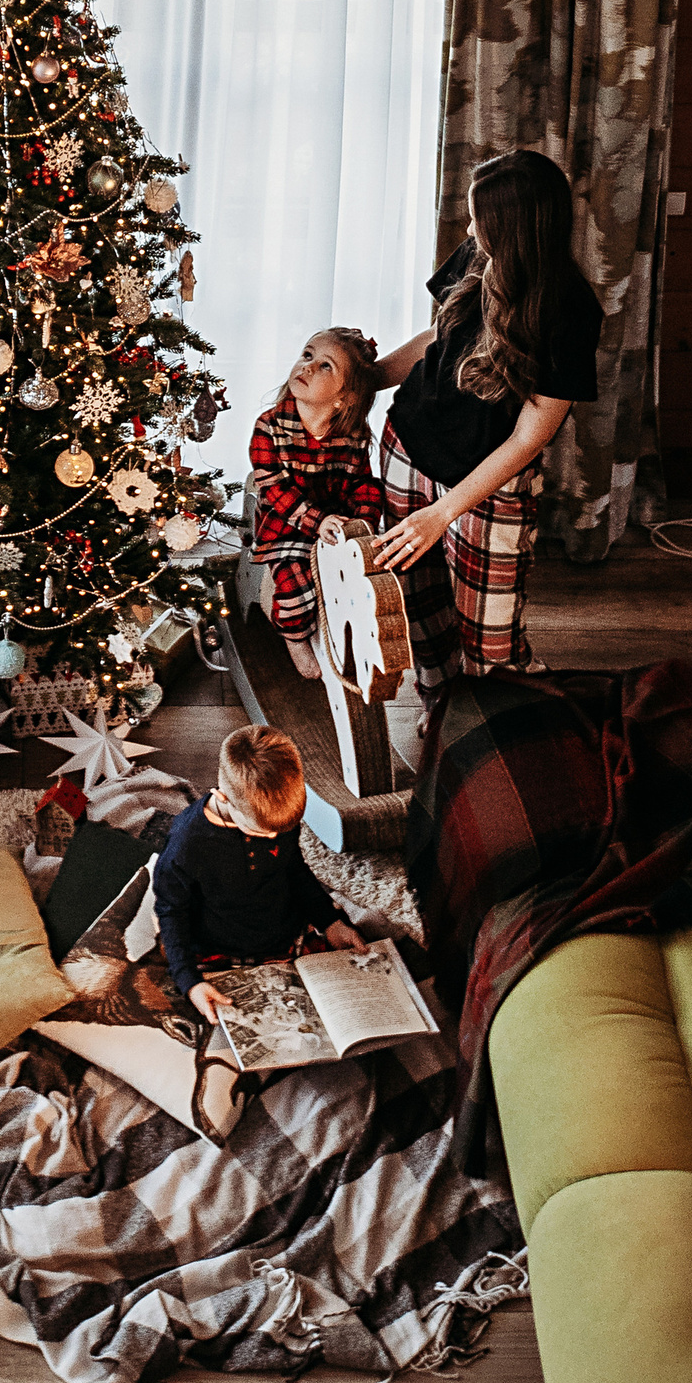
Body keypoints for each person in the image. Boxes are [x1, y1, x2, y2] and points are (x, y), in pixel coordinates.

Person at [371, 149, 602, 694]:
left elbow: (529, 437)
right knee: (418, 611)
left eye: (480, 220)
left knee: (491, 645)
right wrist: (367, 380)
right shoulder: (478, 253)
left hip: (488, 484)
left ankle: (500, 722)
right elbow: (438, 336)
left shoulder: (570, 310)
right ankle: (440, 712)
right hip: (407, 448)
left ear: (515, 231)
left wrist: (442, 512)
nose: (470, 230)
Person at [153, 725, 365, 1021]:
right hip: (220, 944)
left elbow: (295, 871)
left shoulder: (275, 821)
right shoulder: (186, 844)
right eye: (261, 831)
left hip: (286, 932)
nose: (273, 838)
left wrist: (329, 921)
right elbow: (171, 911)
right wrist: (190, 981)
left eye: (280, 830)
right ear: (223, 797)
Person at [248, 329, 388, 680]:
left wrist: (362, 524)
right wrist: (317, 520)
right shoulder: (270, 426)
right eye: (307, 355)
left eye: (325, 366)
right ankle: (294, 637)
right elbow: (274, 489)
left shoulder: (352, 435)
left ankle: (345, 640)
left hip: (334, 527)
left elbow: (362, 483)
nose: (307, 366)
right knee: (295, 586)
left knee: (358, 581)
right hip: (286, 525)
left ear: (344, 398)